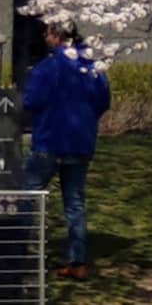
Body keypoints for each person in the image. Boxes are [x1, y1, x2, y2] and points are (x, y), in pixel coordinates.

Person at [20, 22, 112, 275]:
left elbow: (30, 101)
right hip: (80, 142)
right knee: (74, 202)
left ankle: (24, 252)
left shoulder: (46, 68)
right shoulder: (93, 68)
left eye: (47, 33)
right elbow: (103, 100)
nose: (45, 38)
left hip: (49, 140)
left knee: (30, 194)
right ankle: (77, 260)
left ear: (55, 35)